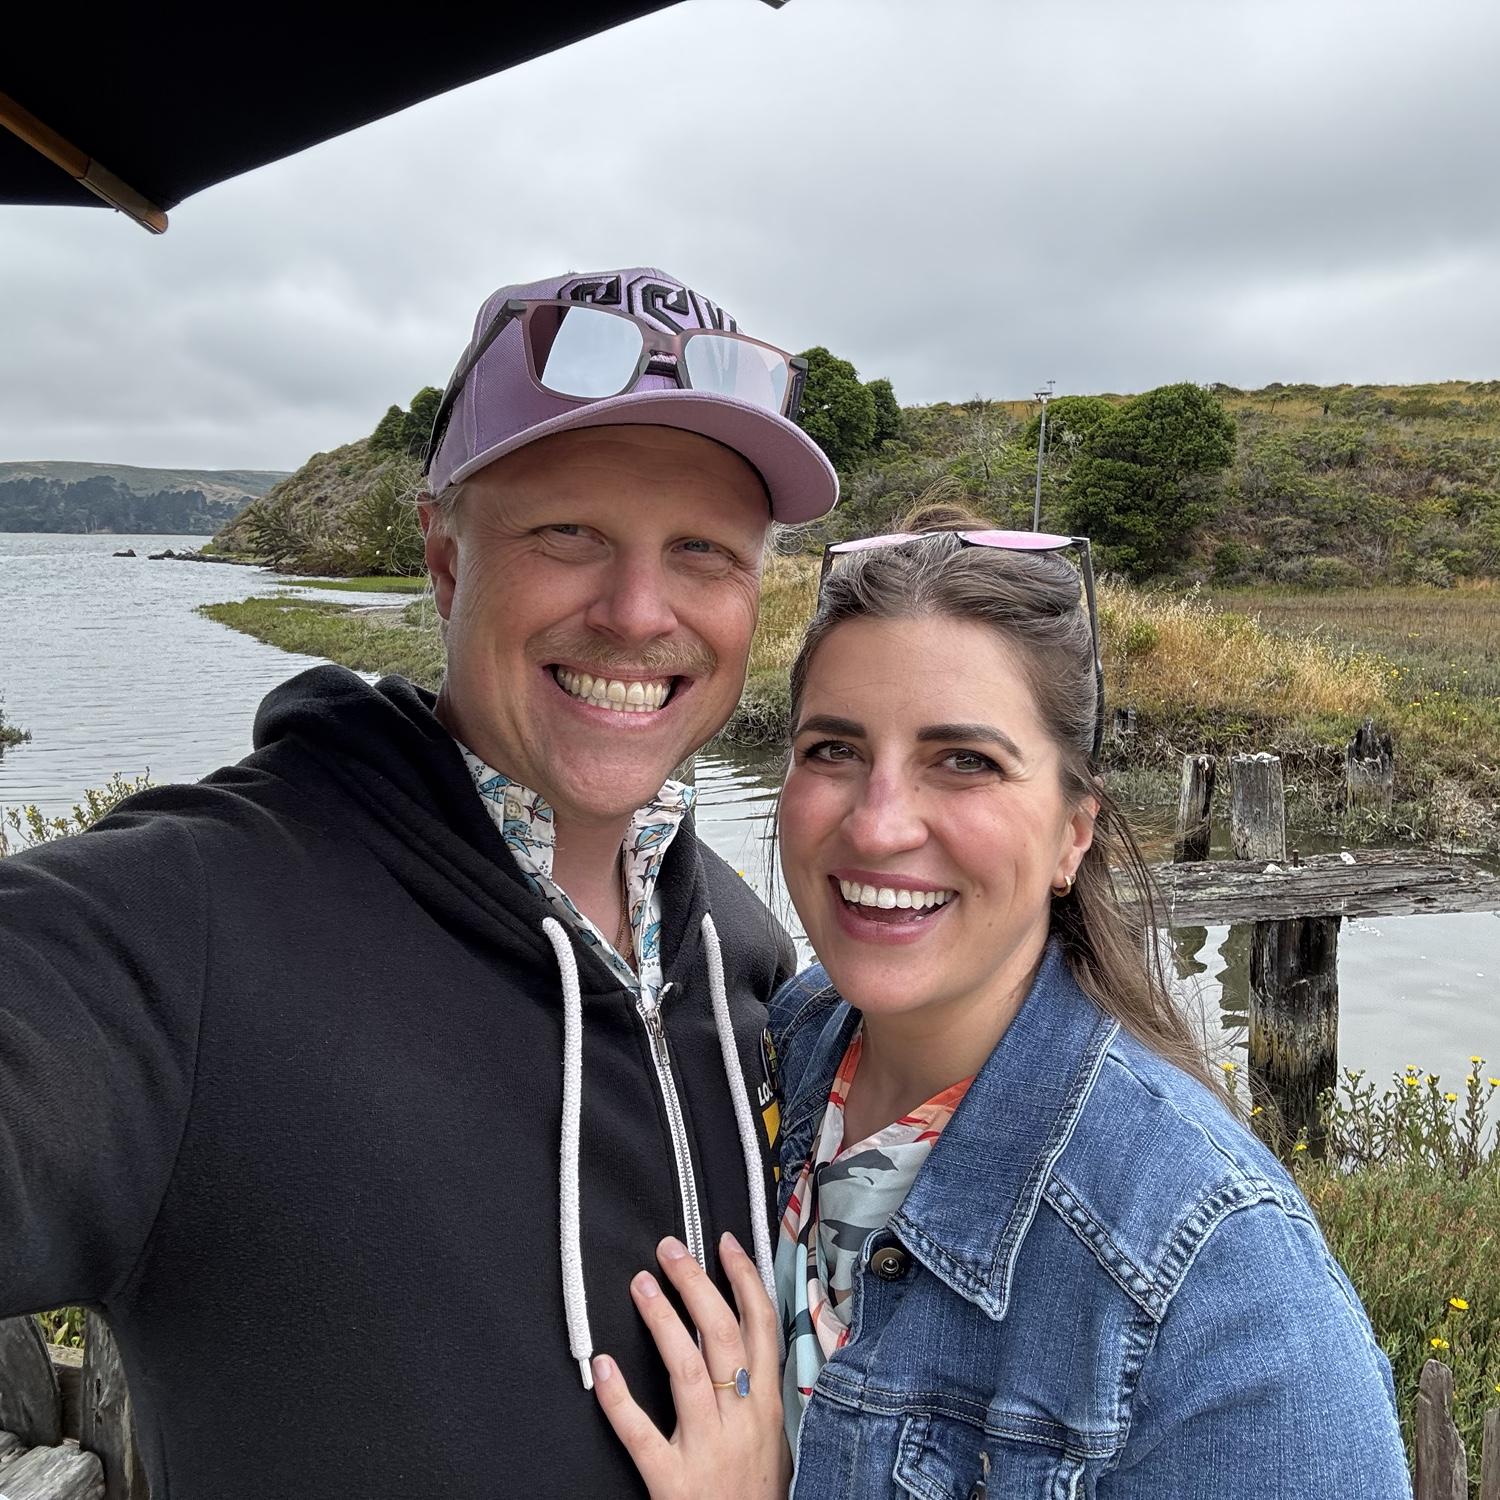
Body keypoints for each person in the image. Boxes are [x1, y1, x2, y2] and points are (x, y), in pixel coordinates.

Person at [0, 266, 839, 1498]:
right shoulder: (185, 926)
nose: (638, 610)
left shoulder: (740, 949)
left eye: (703, 551)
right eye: (570, 534)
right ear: (445, 562)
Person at [595, 507, 1413, 1499]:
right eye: (833, 749)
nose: (880, 826)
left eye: (965, 761)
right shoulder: (785, 1047)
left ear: (1074, 832)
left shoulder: (1218, 1285)